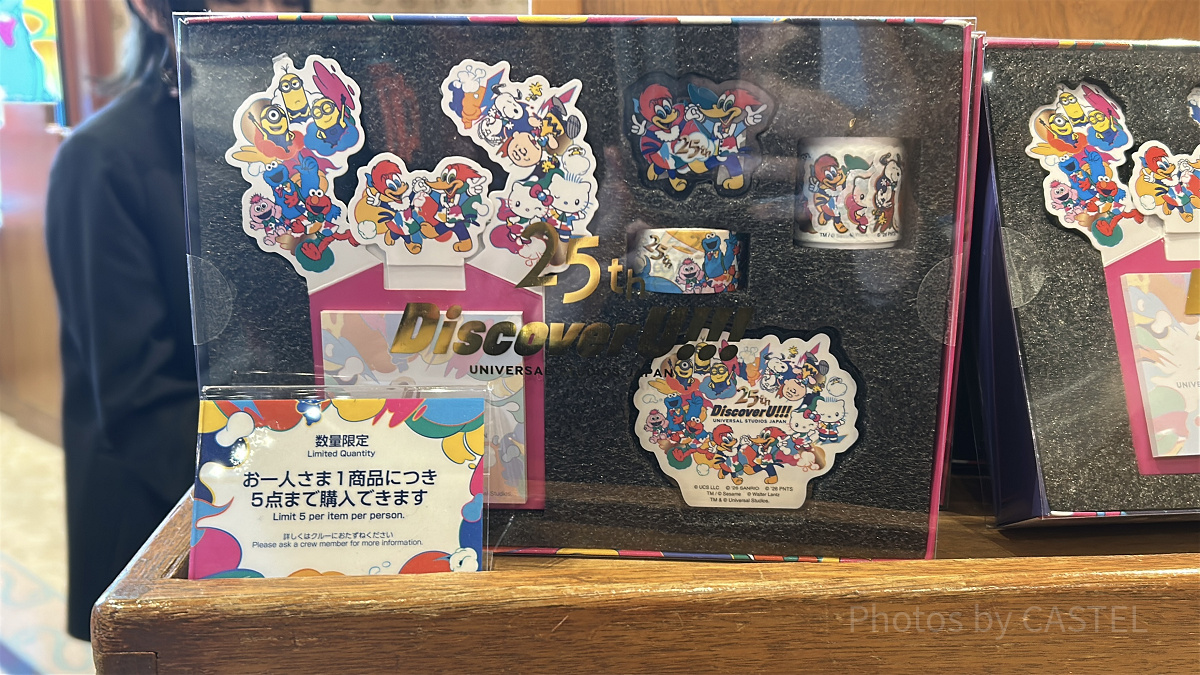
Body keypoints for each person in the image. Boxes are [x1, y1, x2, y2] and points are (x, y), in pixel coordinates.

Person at [45, 0, 307, 641]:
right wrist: (276, 507)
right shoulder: (102, 159)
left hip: (301, 494)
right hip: (167, 517)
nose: (267, 17)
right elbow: (140, 397)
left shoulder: (309, 150)